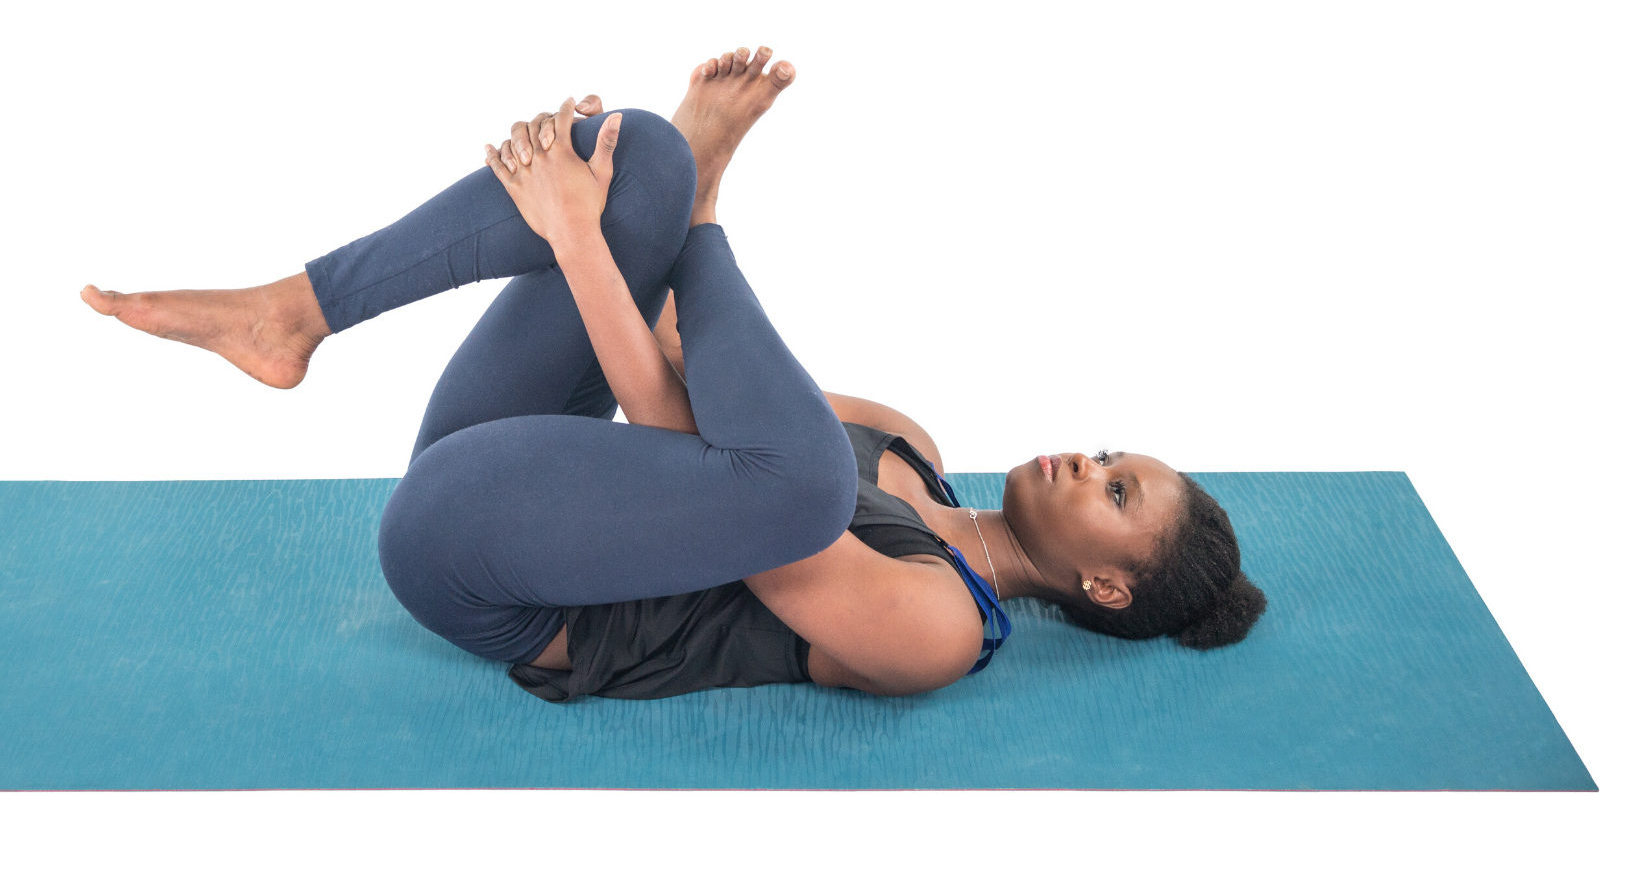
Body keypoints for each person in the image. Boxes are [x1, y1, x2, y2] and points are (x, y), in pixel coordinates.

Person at [80, 47, 1267, 701]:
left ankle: (699, 200)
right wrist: (609, 212)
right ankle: (298, 311)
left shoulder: (938, 629)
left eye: (1116, 493)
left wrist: (579, 237)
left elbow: (670, 442)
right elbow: (660, 369)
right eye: (1117, 455)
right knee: (635, 149)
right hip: (509, 459)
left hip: (482, 563)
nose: (1088, 462)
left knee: (795, 477)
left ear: (1105, 590)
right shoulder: (903, 438)